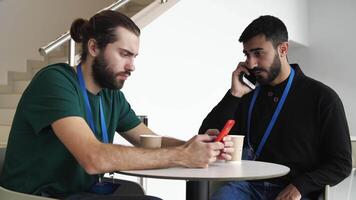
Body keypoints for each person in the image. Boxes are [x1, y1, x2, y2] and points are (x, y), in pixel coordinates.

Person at [0, 10, 233, 200]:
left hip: (79, 193)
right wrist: (183, 156)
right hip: (37, 196)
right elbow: (94, 159)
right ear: (93, 48)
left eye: (134, 57)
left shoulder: (111, 95)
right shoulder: (55, 81)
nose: (132, 66)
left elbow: (150, 142)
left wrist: (195, 146)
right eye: (124, 54)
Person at [199, 15, 352, 200]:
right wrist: (234, 94)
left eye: (258, 53)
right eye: (247, 55)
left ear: (283, 49)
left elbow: (341, 163)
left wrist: (301, 186)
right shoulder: (247, 94)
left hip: (294, 190)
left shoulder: (322, 98)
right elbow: (206, 135)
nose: (251, 63)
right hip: (247, 187)